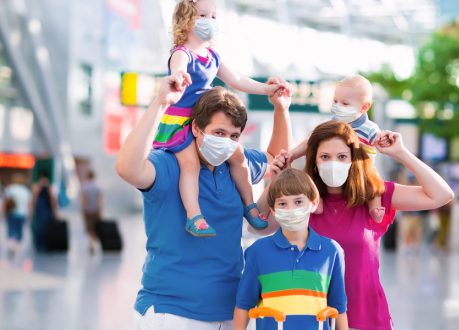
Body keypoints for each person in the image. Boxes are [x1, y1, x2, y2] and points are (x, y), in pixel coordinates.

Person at [115, 74, 292, 329]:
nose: (226, 142)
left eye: (233, 136)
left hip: (231, 312)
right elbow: (127, 168)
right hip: (173, 312)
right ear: (196, 128)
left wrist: (281, 109)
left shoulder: (234, 164)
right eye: (218, 132)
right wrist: (160, 103)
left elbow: (276, 158)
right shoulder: (169, 164)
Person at [266, 121, 454, 330]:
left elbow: (442, 195)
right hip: (313, 319)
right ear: (315, 161)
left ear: (353, 160)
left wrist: (401, 154)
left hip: (367, 319)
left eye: (342, 157)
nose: (333, 163)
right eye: (325, 157)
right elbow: (261, 226)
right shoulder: (301, 201)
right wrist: (276, 181)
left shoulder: (374, 196)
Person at [152, 0, 291, 237]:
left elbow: (236, 79)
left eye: (214, 16)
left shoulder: (212, 55)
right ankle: (194, 216)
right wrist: (178, 76)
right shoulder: (182, 53)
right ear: (186, 19)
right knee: (190, 164)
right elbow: (178, 67)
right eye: (203, 15)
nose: (210, 22)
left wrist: (266, 90)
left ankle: (250, 206)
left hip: (203, 116)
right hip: (181, 122)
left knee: (238, 157)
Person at [234, 168, 348, 330]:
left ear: (313, 203)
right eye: (282, 203)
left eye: (298, 202)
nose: (291, 209)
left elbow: (339, 308)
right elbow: (243, 305)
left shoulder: (332, 251)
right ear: (273, 210)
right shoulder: (257, 252)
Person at [287, 75, 386, 222]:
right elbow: (311, 140)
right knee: (313, 176)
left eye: (345, 103)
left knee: (374, 183)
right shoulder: (333, 123)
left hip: (362, 170)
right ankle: (316, 200)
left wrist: (385, 139)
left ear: (364, 107)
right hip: (336, 169)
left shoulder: (369, 129)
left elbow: (381, 140)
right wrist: (293, 154)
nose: (338, 106)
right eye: (335, 101)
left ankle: (375, 209)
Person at [4, 174, 32, 256]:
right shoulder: (26, 191)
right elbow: (29, 204)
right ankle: (17, 248)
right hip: (22, 214)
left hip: (12, 213)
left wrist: (2, 213)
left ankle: (11, 246)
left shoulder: (10, 189)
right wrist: (30, 214)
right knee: (19, 231)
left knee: (11, 230)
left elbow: (6, 202)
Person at [31, 172, 57, 252]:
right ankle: (39, 245)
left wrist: (54, 212)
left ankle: (45, 244)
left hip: (46, 211)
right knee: (39, 228)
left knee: (45, 228)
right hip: (40, 211)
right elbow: (34, 197)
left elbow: (53, 199)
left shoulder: (49, 187)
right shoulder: (37, 186)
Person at [81, 170, 103, 254]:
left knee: (89, 228)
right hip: (96, 210)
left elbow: (84, 199)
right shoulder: (98, 187)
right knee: (96, 227)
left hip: (88, 210)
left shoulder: (85, 187)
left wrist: (83, 209)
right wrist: (100, 210)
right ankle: (95, 243)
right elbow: (100, 200)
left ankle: (91, 244)